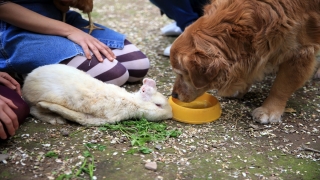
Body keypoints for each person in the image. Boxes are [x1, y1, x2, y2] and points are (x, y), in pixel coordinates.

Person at [0, 0, 150, 139]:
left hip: (58, 15)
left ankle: (56, 56)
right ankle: (21, 66)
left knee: (138, 66)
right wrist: (70, 31)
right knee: (115, 74)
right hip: (15, 24)